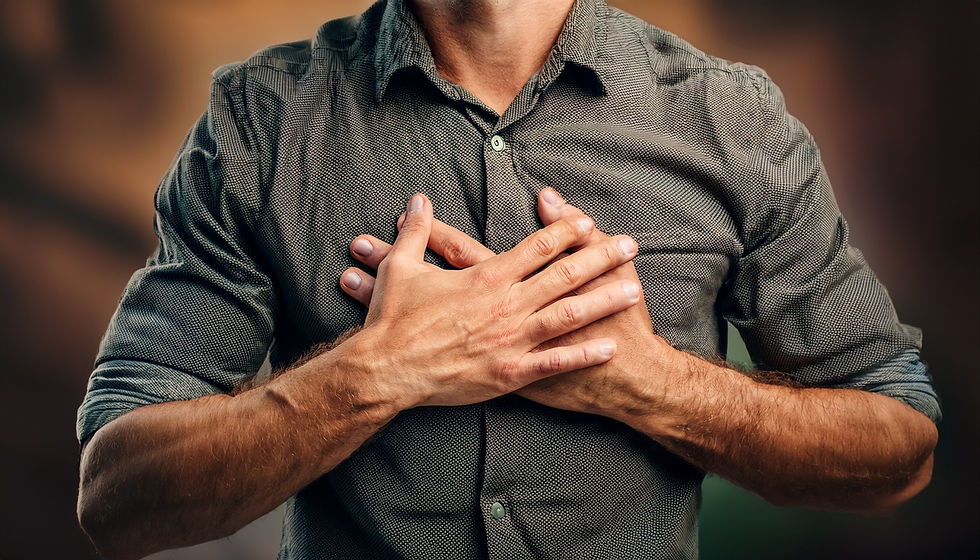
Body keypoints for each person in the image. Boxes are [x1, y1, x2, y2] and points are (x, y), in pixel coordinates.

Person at [75, 0, 941, 558]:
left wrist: (649, 384)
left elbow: (897, 451)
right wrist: (379, 372)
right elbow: (116, 495)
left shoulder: (730, 119)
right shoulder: (260, 125)